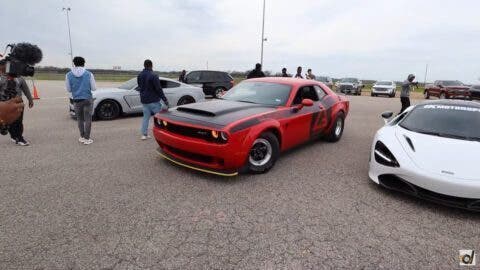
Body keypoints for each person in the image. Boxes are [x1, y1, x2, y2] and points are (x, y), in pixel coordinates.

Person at [65, 56, 97, 145]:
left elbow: (68, 89)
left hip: (76, 100)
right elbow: (94, 88)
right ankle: (87, 138)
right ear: (84, 63)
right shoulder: (89, 74)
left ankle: (82, 136)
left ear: (74, 63)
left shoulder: (68, 75)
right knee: (88, 119)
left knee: (79, 119)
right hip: (87, 99)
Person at [0, 61, 33, 145]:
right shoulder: (1, 78)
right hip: (5, 104)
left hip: (18, 103)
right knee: (7, 122)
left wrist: (30, 99)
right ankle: (12, 134)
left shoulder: (19, 78)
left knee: (18, 121)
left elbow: (26, 89)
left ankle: (19, 137)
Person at [137, 59, 169, 140]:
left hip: (144, 100)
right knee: (160, 117)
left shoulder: (139, 75)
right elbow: (158, 89)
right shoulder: (154, 75)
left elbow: (140, 86)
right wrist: (164, 99)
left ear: (144, 65)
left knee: (145, 118)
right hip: (153, 100)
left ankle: (144, 135)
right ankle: (163, 134)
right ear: (151, 65)